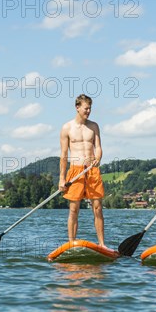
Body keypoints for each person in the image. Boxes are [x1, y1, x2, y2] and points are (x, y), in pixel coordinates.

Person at [59, 94, 106, 247]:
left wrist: (98, 157)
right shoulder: (67, 128)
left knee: (98, 208)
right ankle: (71, 243)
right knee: (74, 209)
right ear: (77, 107)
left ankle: (101, 244)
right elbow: (64, 155)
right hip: (75, 170)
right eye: (86, 108)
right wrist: (61, 178)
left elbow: (98, 147)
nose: (88, 111)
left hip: (92, 171)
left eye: (90, 108)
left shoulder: (94, 126)